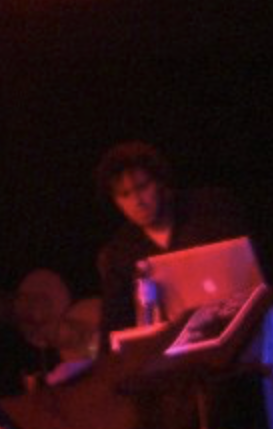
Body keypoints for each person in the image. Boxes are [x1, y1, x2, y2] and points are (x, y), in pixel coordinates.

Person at [93, 141, 248, 340]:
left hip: (239, 326)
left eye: (142, 187)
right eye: (125, 195)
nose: (137, 201)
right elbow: (114, 322)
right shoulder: (120, 252)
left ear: (159, 182)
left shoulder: (209, 210)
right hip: (175, 347)